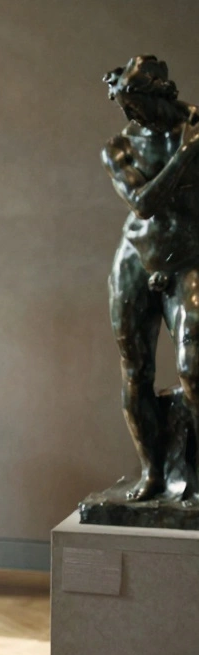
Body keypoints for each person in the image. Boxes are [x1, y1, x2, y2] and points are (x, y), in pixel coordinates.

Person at [101, 55, 199, 501]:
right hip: (137, 260)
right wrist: (186, 155)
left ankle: (193, 473)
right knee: (135, 372)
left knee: (192, 368)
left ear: (163, 92)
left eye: (136, 103)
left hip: (189, 259)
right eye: (125, 106)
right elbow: (142, 203)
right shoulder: (119, 146)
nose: (131, 115)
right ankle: (153, 471)